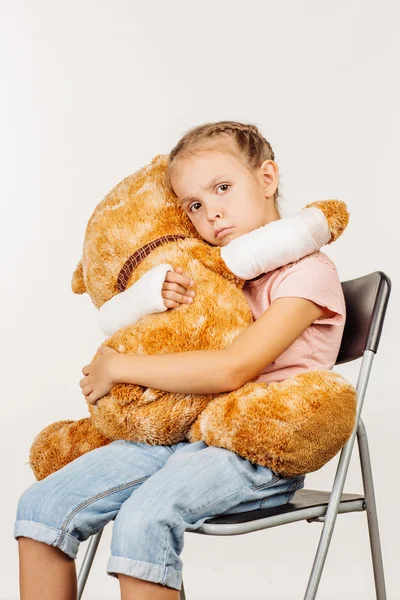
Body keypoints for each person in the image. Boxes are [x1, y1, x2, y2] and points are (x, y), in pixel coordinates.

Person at [14, 120, 345, 600]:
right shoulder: (211, 277)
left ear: (267, 179)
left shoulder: (309, 273)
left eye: (223, 188)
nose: (212, 213)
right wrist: (156, 298)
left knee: (145, 517)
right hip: (181, 430)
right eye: (194, 204)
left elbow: (234, 367)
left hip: (252, 446)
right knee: (42, 506)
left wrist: (120, 368)